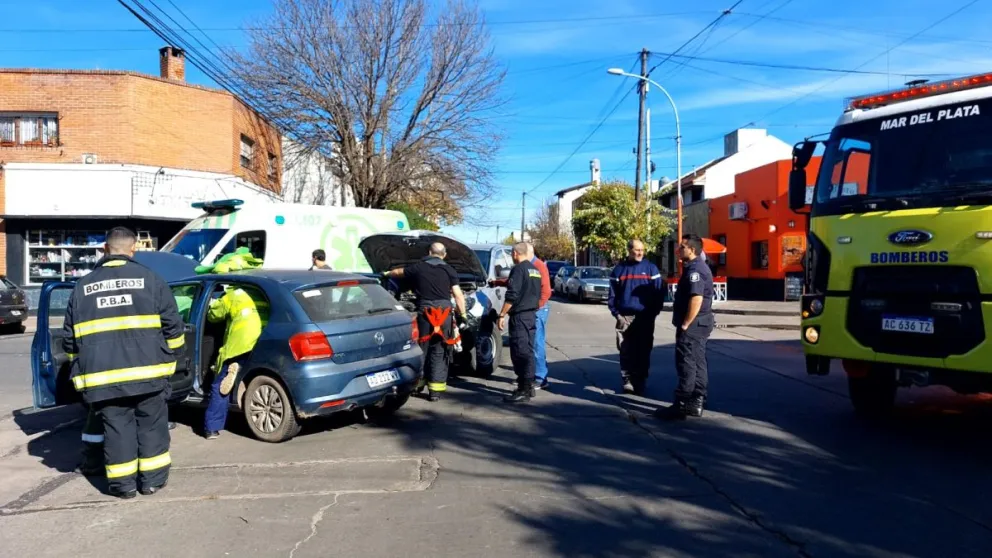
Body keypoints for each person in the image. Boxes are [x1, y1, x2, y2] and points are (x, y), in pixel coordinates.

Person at [63, 227, 184, 499]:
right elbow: (173, 328)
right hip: (149, 374)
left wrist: (80, 367)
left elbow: (70, 340)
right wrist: (172, 358)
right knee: (152, 427)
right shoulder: (151, 280)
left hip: (103, 380)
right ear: (133, 250)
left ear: (105, 249)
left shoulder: (82, 287)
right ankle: (152, 481)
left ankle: (123, 486)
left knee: (117, 431)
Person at [383, 242, 467, 402]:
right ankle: (435, 391)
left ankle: (417, 384)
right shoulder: (449, 270)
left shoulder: (418, 267)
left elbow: (399, 272)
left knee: (421, 349)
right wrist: (463, 315)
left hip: (425, 314)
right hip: (444, 314)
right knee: (440, 350)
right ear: (445, 254)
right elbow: (458, 294)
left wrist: (387, 273)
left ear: (429, 252)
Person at [657, 233, 715, 420]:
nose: (678, 250)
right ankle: (696, 402)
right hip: (702, 324)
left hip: (693, 325)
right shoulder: (698, 267)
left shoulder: (695, 271)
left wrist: (685, 324)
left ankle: (682, 403)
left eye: (682, 247)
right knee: (698, 362)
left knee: (686, 363)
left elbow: (696, 299)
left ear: (692, 249)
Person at [203, 285, 262, 439]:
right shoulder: (260, 292)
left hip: (239, 344)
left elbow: (213, 316)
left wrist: (213, 304)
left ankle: (212, 428)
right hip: (260, 341)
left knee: (219, 386)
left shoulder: (234, 295)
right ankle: (237, 374)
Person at [608, 239, 663, 396]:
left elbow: (659, 293)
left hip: (645, 317)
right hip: (625, 316)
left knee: (643, 350)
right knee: (625, 350)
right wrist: (617, 314)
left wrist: (653, 312)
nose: (640, 253)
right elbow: (612, 295)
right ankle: (627, 380)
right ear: (629, 250)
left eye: (642, 250)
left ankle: (640, 380)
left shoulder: (651, 269)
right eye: (636, 250)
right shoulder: (619, 270)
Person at [497, 243, 543, 403]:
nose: (511, 256)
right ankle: (528, 387)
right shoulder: (535, 270)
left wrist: (502, 314)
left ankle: (523, 389)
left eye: (512, 254)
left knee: (519, 351)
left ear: (515, 253)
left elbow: (512, 294)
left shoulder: (518, 269)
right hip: (531, 314)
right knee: (528, 351)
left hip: (521, 316)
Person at [527, 244, 552, 390]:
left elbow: (546, 290)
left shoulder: (538, 265)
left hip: (538, 310)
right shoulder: (528, 265)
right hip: (531, 309)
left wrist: (538, 306)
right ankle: (530, 375)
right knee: (529, 344)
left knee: (537, 343)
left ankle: (541, 378)